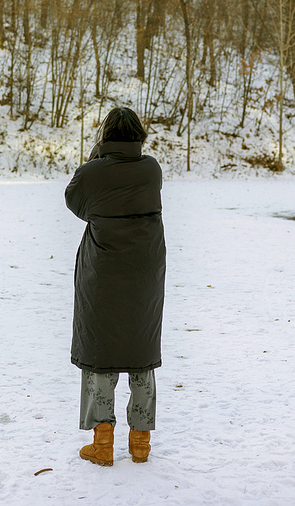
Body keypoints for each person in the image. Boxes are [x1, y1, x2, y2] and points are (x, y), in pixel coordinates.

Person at [65, 107, 166, 466]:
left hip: (103, 274)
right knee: (141, 352)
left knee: (101, 352)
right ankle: (141, 443)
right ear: (139, 135)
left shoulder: (93, 172)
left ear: (105, 136)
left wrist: (96, 156)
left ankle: (103, 443)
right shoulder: (151, 169)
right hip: (145, 274)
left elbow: (74, 200)